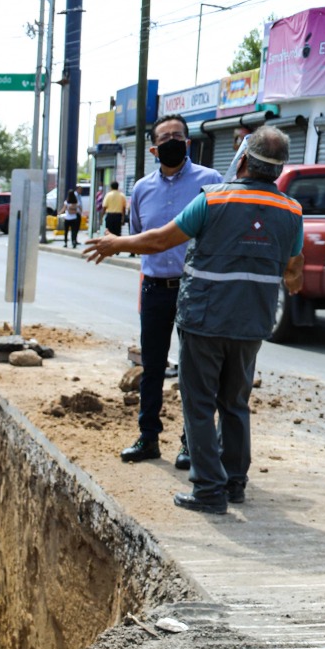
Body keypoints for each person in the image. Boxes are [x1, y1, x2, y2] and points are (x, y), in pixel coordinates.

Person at [84, 125, 304, 515]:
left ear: (245, 160)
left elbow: (159, 240)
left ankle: (208, 490)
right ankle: (234, 482)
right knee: (235, 402)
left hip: (205, 318)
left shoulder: (215, 198)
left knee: (199, 403)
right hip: (252, 321)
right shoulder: (291, 211)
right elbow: (294, 273)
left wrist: (116, 243)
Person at [120, 115, 223, 469]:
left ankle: (191, 444)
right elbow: (139, 237)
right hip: (154, 289)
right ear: (153, 148)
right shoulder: (141, 189)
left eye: (178, 136)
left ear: (189, 143)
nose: (172, 142)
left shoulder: (211, 182)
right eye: (165, 138)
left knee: (195, 369)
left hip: (194, 287)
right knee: (152, 366)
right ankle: (148, 437)